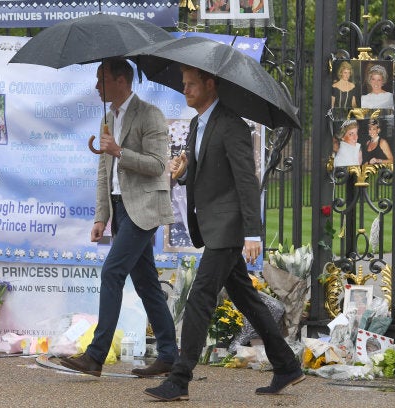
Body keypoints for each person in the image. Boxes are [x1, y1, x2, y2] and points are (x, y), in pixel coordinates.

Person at [144, 65, 304, 401]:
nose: (185, 90)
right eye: (183, 84)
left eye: (190, 84)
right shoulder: (195, 124)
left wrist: (252, 234)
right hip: (213, 227)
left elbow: (247, 182)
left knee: (200, 298)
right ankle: (287, 364)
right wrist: (185, 172)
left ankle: (179, 378)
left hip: (228, 229)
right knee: (247, 299)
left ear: (210, 84)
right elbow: (207, 175)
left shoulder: (232, 126)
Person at [59, 57, 178, 378]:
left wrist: (119, 151)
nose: (97, 86)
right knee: (147, 284)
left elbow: (157, 165)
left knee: (112, 272)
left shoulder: (149, 114)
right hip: (119, 207)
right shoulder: (108, 118)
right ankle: (169, 354)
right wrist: (101, 217)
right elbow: (103, 172)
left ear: (121, 80)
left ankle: (95, 356)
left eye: (102, 79)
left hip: (145, 208)